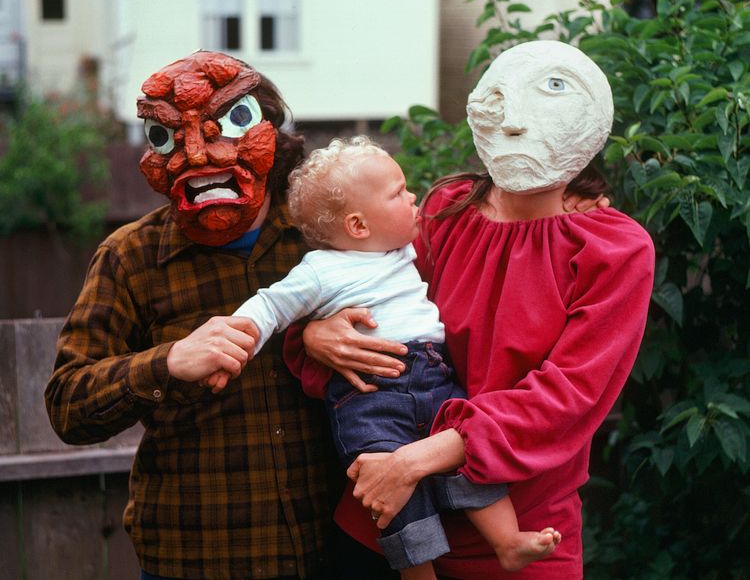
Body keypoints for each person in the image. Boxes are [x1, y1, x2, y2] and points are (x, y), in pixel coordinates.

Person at [286, 40, 656, 579]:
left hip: (520, 533)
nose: (514, 125)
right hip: (387, 521)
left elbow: (568, 396)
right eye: (501, 102)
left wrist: (413, 461)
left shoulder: (613, 249)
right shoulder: (443, 210)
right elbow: (355, 280)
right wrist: (314, 335)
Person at [204, 136, 561, 579]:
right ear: (357, 226)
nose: (413, 196)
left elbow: (497, 228)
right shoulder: (321, 270)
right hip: (371, 399)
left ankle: (507, 541)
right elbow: (270, 306)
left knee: (467, 456)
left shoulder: (402, 249)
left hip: (433, 378)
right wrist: (232, 346)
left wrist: (573, 194)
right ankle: (419, 574)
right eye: (397, 193)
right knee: (391, 492)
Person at [44, 51, 342, 579]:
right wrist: (166, 364)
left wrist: (319, 333)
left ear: (268, 128)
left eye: (230, 124)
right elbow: (68, 405)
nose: (198, 156)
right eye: (168, 139)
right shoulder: (130, 257)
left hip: (337, 549)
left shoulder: (329, 233)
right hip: (198, 556)